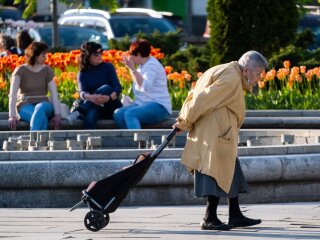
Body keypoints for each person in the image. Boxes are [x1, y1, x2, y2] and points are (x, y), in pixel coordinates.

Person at [173, 50, 268, 230]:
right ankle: (209, 218)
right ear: (246, 70)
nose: (259, 79)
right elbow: (202, 99)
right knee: (215, 172)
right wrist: (184, 121)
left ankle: (235, 214)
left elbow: (194, 94)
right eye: (258, 74)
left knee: (230, 169)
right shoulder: (232, 78)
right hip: (215, 135)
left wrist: (185, 119)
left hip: (218, 133)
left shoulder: (225, 71)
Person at [113, 39, 172, 129]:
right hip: (142, 104)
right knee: (118, 114)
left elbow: (145, 87)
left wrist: (132, 69)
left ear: (139, 54)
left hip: (159, 107)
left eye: (132, 54)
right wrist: (131, 68)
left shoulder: (152, 65)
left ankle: (139, 142)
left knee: (130, 114)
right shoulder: (142, 66)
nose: (130, 57)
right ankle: (129, 139)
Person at [65, 41, 122, 129]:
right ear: (87, 56)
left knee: (106, 88)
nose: (99, 56)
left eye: (100, 52)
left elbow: (117, 87)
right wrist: (91, 97)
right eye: (96, 54)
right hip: (95, 106)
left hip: (111, 105)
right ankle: (89, 141)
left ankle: (80, 111)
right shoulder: (83, 73)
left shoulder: (108, 67)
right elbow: (82, 93)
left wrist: (109, 98)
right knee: (90, 116)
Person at [8, 42, 61, 131]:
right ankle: (39, 143)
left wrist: (58, 114)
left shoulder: (47, 70)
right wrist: (12, 116)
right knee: (41, 117)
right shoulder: (20, 71)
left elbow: (54, 94)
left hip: (44, 104)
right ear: (35, 55)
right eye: (43, 55)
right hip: (25, 104)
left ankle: (32, 142)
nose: (46, 57)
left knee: (40, 108)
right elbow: (12, 95)